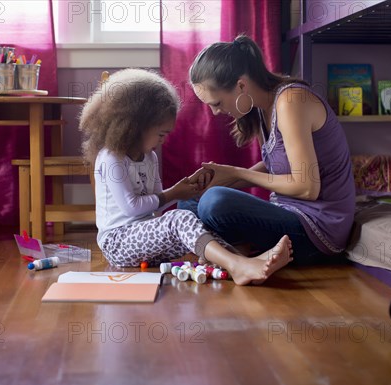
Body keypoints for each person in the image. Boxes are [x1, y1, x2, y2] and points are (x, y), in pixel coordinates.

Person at [79, 68, 293, 285]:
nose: (162, 141)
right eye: (160, 134)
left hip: (145, 239)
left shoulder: (150, 157)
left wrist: (186, 190)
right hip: (118, 243)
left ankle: (241, 261)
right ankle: (237, 264)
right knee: (179, 219)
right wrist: (173, 192)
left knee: (195, 220)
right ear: (134, 127)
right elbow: (132, 208)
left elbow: (156, 206)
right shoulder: (112, 158)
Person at [180, 35, 355, 265]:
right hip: (287, 212)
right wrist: (220, 180)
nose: (215, 113)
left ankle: (232, 253)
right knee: (190, 198)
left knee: (214, 201)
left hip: (318, 230)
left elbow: (307, 188)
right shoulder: (263, 106)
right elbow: (274, 165)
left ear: (241, 85)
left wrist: (235, 174)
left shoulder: (291, 101)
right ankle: (236, 252)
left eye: (217, 103)